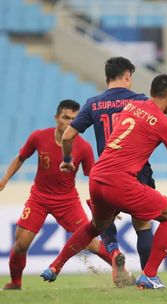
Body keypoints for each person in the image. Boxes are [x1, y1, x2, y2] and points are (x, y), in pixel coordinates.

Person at [40, 74, 167, 289]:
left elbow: (142, 129)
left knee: (96, 227)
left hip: (97, 177)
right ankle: (149, 275)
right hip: (120, 182)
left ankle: (55, 266)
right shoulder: (163, 123)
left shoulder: (131, 107)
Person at [63, 56, 167, 287]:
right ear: (128, 76)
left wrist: (67, 159)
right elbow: (159, 126)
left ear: (107, 77)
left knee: (101, 220)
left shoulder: (94, 103)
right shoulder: (140, 101)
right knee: (143, 225)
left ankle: (113, 252)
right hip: (137, 169)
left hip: (106, 170)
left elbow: (69, 135)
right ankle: (149, 275)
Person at [0, 100, 116, 290]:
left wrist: (104, 202)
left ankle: (124, 271)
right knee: (20, 244)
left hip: (67, 201)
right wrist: (5, 179)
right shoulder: (38, 137)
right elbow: (21, 157)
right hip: (39, 198)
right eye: (65, 118)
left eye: (74, 119)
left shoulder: (84, 147)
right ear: (56, 118)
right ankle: (15, 282)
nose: (70, 123)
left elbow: (94, 178)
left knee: (93, 245)